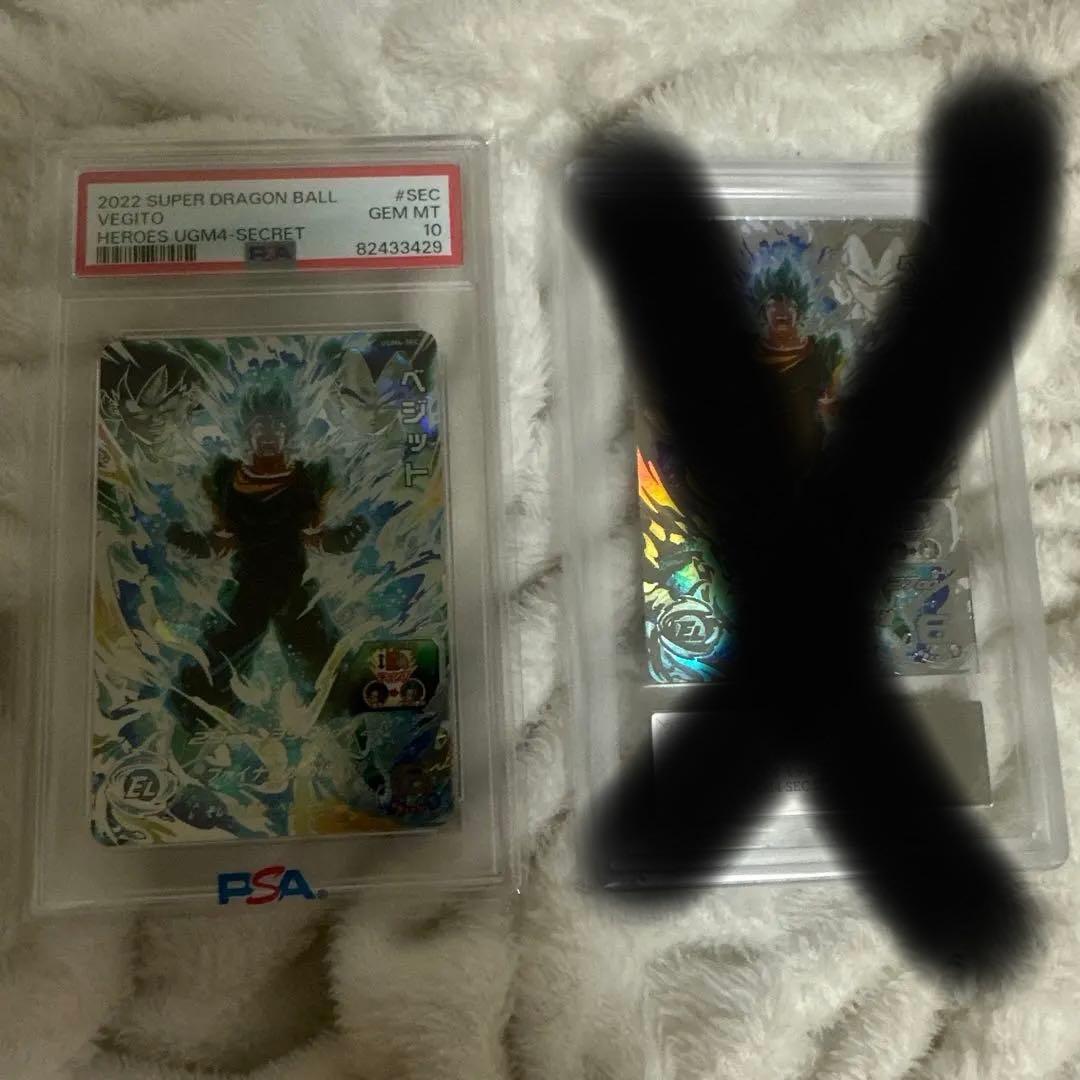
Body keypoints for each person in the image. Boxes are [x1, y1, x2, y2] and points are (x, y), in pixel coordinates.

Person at [165, 383, 369, 765]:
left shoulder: (309, 479)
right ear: (248, 432)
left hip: (293, 587)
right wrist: (186, 542)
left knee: (324, 661)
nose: (269, 434)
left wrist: (349, 535)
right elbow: (222, 541)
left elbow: (316, 538)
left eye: (277, 426)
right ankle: (189, 742)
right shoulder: (225, 477)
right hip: (247, 589)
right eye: (260, 427)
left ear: (288, 432)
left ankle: (352, 744)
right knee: (216, 659)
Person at [751, 259, 843, 461]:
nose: (782, 310)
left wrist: (831, 406)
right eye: (773, 303)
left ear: (799, 311)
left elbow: (834, 408)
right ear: (763, 312)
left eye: (790, 304)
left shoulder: (823, 352)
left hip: (809, 460)